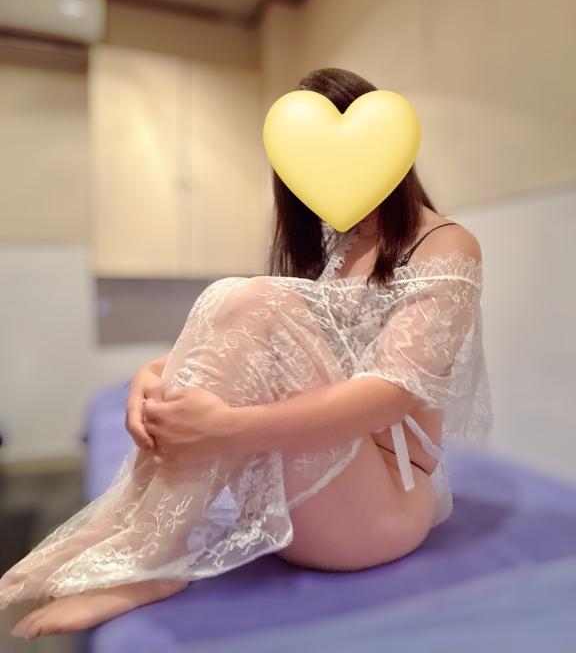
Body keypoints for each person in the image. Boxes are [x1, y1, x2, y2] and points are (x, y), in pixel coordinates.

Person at [0, 67, 492, 638]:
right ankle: (137, 531)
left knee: (251, 296)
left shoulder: (446, 244)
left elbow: (392, 395)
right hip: (304, 501)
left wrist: (227, 430)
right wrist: (153, 373)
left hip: (379, 509)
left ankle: (152, 555)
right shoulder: (338, 248)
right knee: (239, 299)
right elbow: (266, 350)